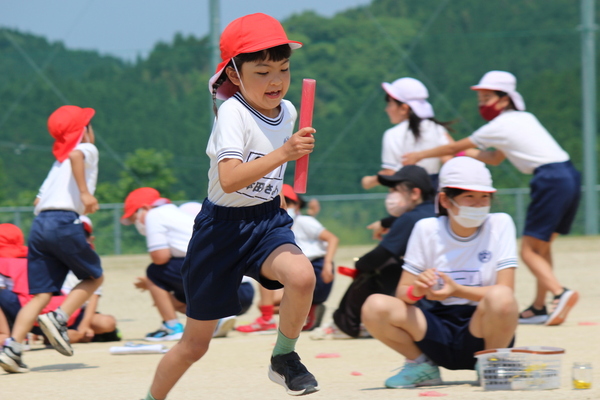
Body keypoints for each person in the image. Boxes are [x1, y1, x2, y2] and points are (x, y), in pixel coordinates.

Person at [143, 14, 319, 400]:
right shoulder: (233, 113)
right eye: (262, 71)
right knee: (194, 345)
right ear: (235, 75)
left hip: (267, 222)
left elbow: (269, 178)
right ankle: (151, 398)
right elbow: (230, 179)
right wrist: (285, 152)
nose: (276, 80)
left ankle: (284, 358)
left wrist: (282, 183)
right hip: (219, 231)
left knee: (303, 276)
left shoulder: (288, 112)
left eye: (284, 69)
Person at [402, 70, 580, 326]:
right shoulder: (524, 118)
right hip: (569, 174)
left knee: (529, 251)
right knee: (542, 246)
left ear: (504, 99)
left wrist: (421, 155)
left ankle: (560, 292)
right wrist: (464, 150)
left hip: (549, 178)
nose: (481, 104)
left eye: (487, 97)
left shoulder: (499, 125)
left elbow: (453, 149)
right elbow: (495, 158)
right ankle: (540, 306)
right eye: (480, 99)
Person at [362, 157, 519, 388]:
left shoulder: (500, 224)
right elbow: (403, 294)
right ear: (445, 199)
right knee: (374, 306)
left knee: (502, 298)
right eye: (469, 197)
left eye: (484, 197)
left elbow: (506, 291)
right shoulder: (427, 229)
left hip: (484, 328)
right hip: (435, 329)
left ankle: (492, 365)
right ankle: (422, 366)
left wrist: (457, 290)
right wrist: (418, 290)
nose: (479, 205)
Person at [0, 105, 103, 374]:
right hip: (63, 222)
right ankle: (58, 318)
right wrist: (84, 194)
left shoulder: (58, 163)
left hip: (40, 225)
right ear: (83, 131)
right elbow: (79, 155)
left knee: (40, 295)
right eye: (89, 126)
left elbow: (38, 199)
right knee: (95, 277)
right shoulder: (84, 149)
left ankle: (13, 349)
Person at [312, 165, 436, 340]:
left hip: (421, 299)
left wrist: (358, 264)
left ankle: (347, 325)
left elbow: (378, 256)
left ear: (415, 194)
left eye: (395, 190)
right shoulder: (436, 211)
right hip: (439, 291)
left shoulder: (410, 218)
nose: (391, 195)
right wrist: (387, 223)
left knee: (371, 269)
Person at [236, 184, 338, 333]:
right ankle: (309, 311)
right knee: (268, 302)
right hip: (305, 275)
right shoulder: (285, 224)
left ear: (296, 205)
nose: (282, 205)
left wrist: (328, 264)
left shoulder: (302, 221)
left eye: (286, 202)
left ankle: (267, 319)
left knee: (264, 273)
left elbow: (332, 238)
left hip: (315, 272)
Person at [0, 223, 117, 350]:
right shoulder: (37, 257)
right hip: (63, 311)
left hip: (30, 315)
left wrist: (5, 332)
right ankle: (69, 335)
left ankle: (7, 335)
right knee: (106, 322)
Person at [361, 77, 453, 191]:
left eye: (390, 104)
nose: (386, 109)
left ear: (404, 108)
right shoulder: (437, 129)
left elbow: (390, 173)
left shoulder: (393, 134)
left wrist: (369, 181)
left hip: (407, 194)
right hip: (433, 191)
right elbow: (449, 159)